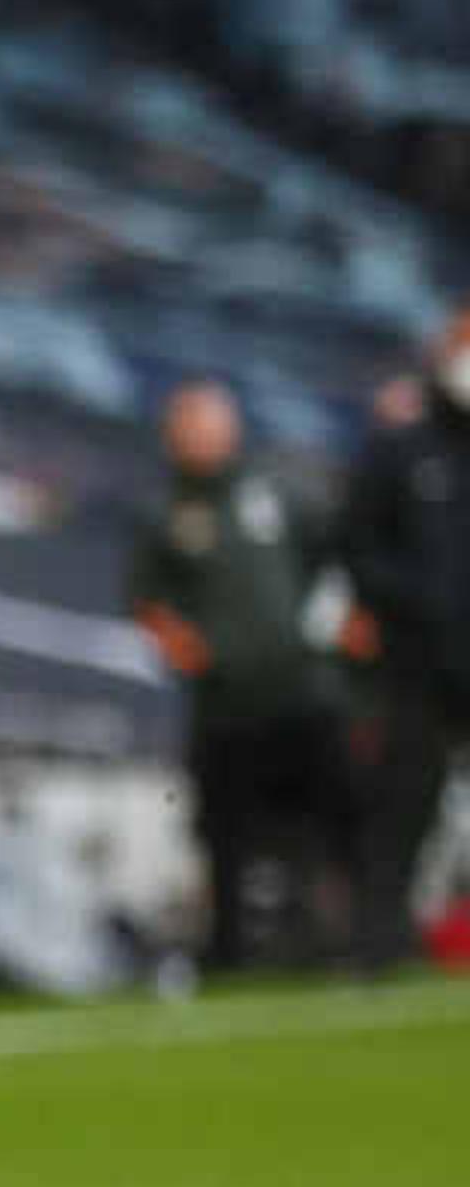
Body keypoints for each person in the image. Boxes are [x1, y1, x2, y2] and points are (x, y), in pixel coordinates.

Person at [128, 379, 352, 970]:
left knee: (319, 827)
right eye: (190, 426)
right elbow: (146, 599)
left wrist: (335, 628)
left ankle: (323, 943)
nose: (203, 437)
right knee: (225, 838)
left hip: (302, 693)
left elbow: (332, 560)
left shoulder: (278, 491)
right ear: (172, 436)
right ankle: (229, 955)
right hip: (225, 705)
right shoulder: (164, 510)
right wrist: (183, 645)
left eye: (211, 423)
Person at [334, 303, 470, 967]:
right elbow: (358, 545)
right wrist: (410, 602)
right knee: (404, 804)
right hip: (418, 663)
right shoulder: (402, 451)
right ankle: (379, 942)